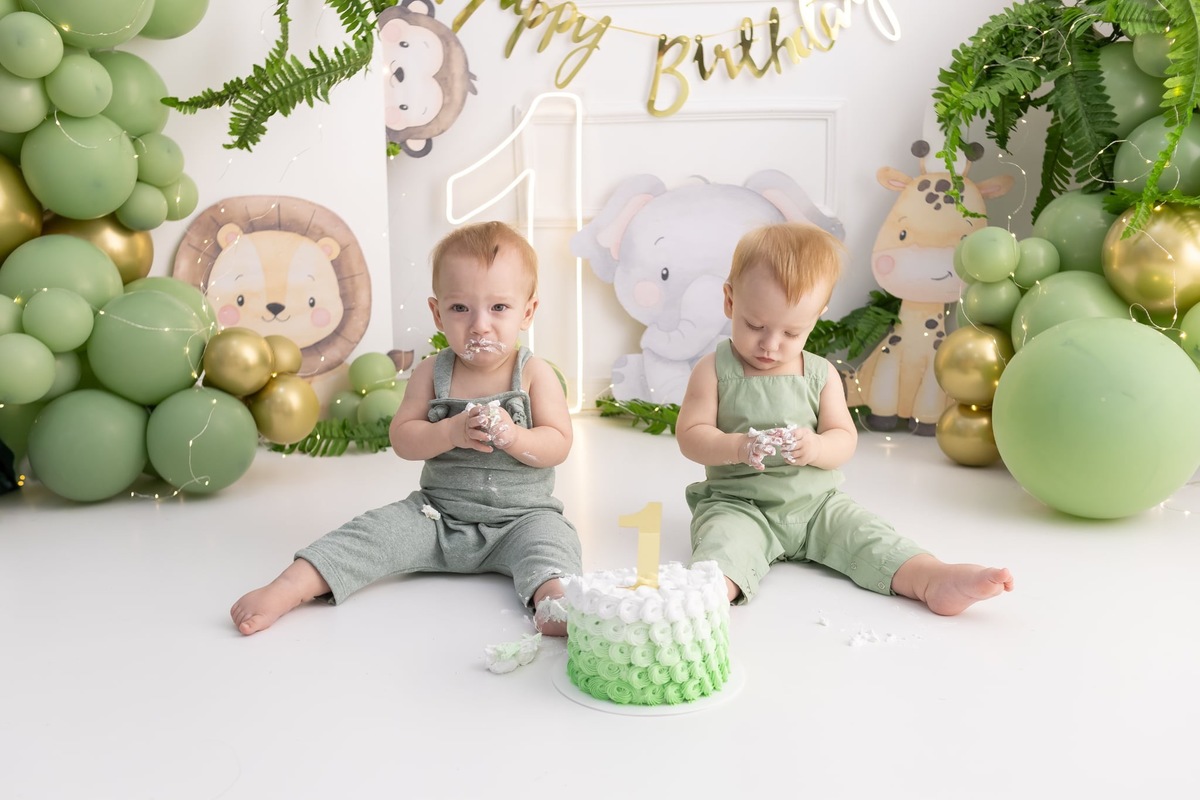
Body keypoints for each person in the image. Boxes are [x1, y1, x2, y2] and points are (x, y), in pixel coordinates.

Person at [231, 221, 582, 636]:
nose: (480, 325)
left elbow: (558, 443)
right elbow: (403, 438)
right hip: (437, 516)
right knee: (370, 534)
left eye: (499, 308)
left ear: (527, 312)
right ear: (437, 313)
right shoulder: (432, 373)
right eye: (460, 308)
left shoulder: (533, 374)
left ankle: (553, 600)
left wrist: (515, 437)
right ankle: (289, 587)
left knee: (553, 544)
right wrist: (450, 433)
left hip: (522, 518)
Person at [675, 222, 1013, 615]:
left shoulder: (820, 375)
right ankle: (705, 596)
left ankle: (931, 577)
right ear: (730, 301)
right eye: (755, 326)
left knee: (870, 536)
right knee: (723, 545)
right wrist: (737, 446)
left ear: (817, 318)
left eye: (791, 332)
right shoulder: (713, 370)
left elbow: (843, 439)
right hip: (740, 505)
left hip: (818, 506)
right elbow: (691, 435)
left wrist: (816, 446)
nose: (770, 345)